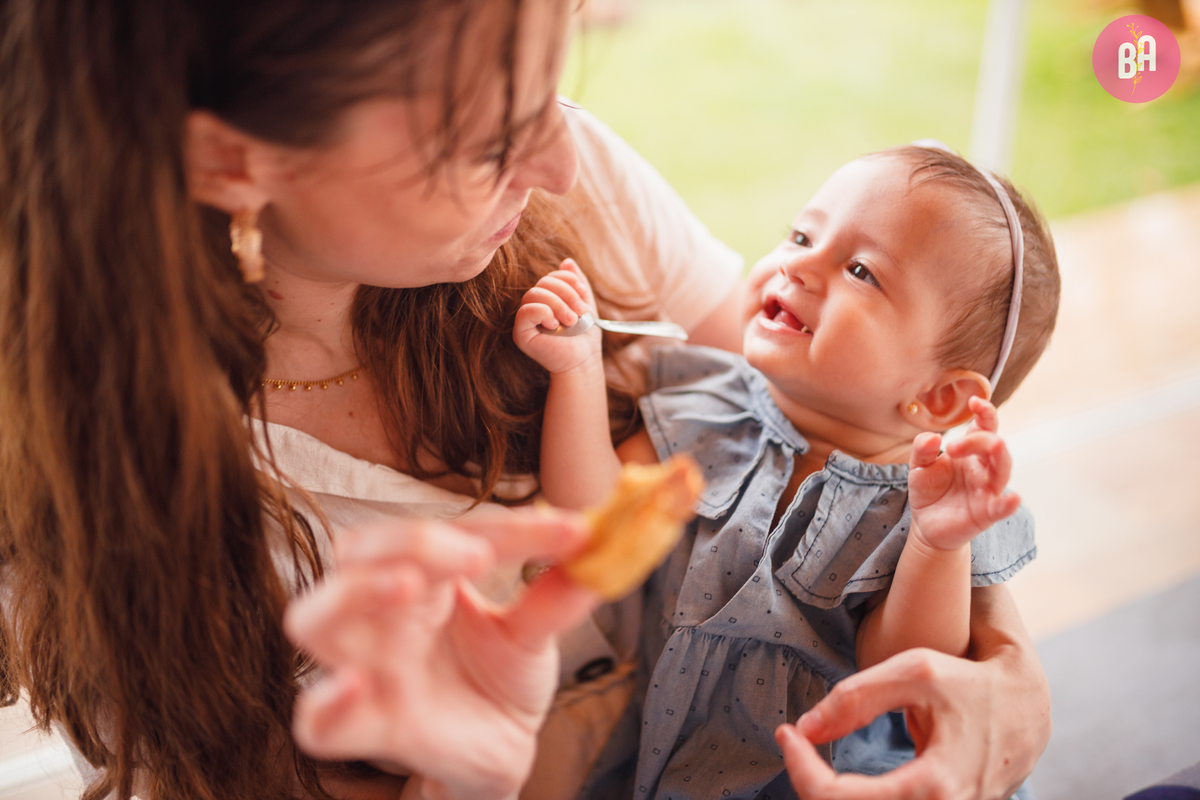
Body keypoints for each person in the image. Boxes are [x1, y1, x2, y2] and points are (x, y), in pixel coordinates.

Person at [0, 1, 1050, 799]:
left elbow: (835, 436)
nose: (555, 159)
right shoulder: (64, 464)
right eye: (488, 136)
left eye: (546, 90)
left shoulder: (567, 166)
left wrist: (1003, 679)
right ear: (235, 158)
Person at [513, 145, 1059, 798]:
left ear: (939, 398)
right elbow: (590, 512)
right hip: (659, 759)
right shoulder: (710, 406)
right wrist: (575, 368)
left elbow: (900, 672)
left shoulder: (927, 507)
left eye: (860, 270)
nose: (796, 262)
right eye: (801, 235)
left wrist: (938, 543)